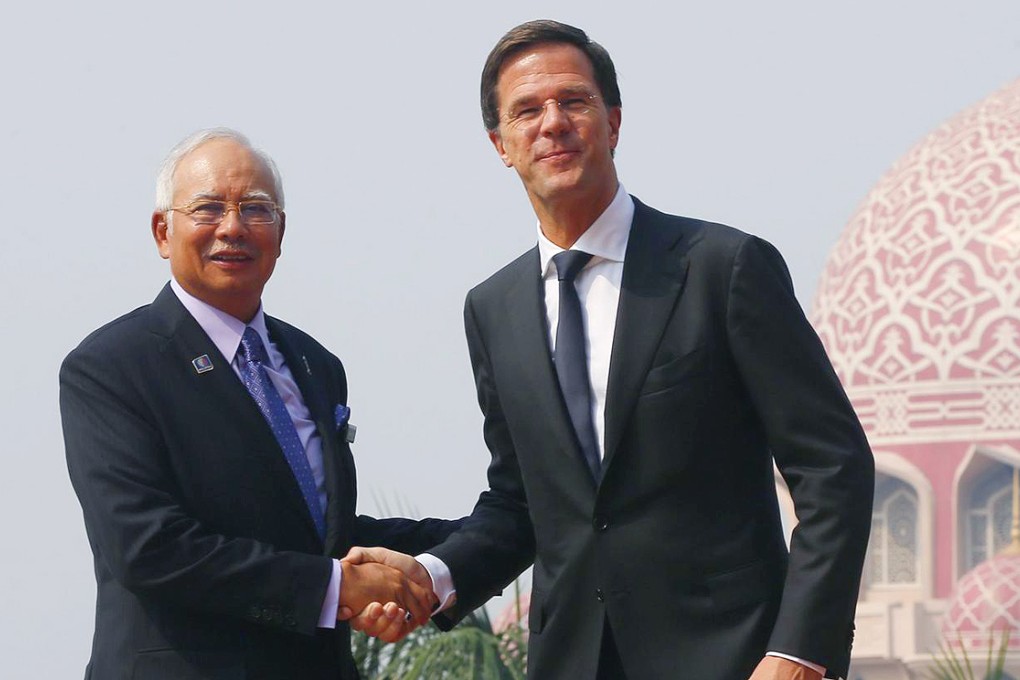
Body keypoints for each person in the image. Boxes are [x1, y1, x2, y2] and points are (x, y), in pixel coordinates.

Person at [351, 19, 875, 680]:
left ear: (614, 122)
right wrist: (431, 576)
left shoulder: (721, 269)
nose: (553, 123)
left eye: (574, 101)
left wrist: (800, 650)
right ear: (500, 145)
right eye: (527, 111)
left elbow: (833, 467)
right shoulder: (493, 309)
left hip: (735, 660)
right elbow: (522, 503)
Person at [60, 128, 456, 680]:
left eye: (255, 209)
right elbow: (149, 546)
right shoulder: (111, 367)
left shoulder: (316, 364)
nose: (233, 227)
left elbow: (317, 535)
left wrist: (474, 539)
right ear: (162, 231)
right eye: (207, 208)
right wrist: (338, 587)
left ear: (281, 231)